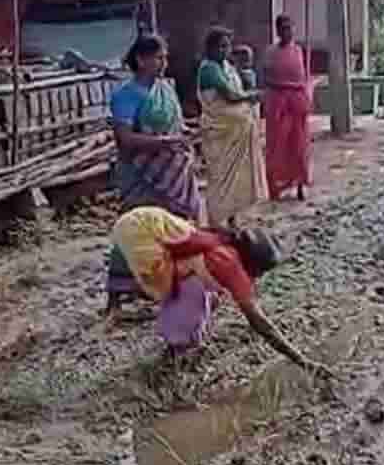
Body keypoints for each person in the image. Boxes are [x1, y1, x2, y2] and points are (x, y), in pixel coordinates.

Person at [110, 205, 334, 378]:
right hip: (140, 231)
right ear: (253, 264)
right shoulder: (229, 264)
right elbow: (260, 323)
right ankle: (176, 347)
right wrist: (303, 361)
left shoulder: (223, 245)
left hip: (145, 219)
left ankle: (179, 338)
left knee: (206, 291)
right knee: (191, 294)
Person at [104, 35, 205, 314]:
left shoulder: (166, 89)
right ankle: (116, 295)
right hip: (141, 172)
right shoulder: (126, 95)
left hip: (172, 171)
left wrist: (188, 136)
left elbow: (176, 127)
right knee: (135, 227)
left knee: (173, 227)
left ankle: (164, 286)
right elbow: (125, 138)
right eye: (159, 58)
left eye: (165, 57)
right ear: (141, 60)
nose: (164, 63)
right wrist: (164, 143)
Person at [198, 26, 268, 229]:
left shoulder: (227, 67)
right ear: (210, 48)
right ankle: (218, 220)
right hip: (220, 131)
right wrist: (253, 96)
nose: (225, 51)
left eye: (227, 46)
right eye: (221, 46)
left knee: (237, 179)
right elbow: (230, 95)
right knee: (221, 178)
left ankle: (233, 217)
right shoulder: (209, 68)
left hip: (236, 130)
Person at [262, 15, 314, 202]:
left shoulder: (299, 51)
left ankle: (300, 184)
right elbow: (266, 78)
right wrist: (282, 87)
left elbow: (305, 77)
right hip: (279, 106)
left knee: (299, 146)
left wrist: (306, 95)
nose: (287, 32)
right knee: (277, 147)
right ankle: (276, 187)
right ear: (277, 31)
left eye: (290, 28)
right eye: (283, 28)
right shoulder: (270, 53)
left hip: (297, 105)